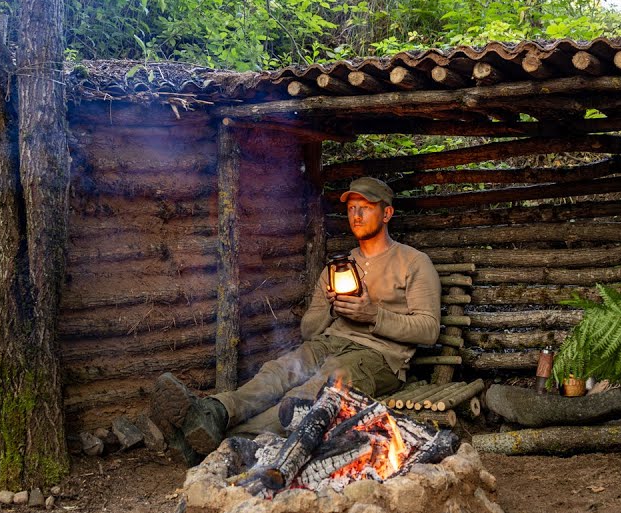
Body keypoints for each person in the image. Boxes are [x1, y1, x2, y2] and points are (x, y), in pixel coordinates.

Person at [150, 176, 441, 464]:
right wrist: (331, 309)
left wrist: (374, 315)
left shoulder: (413, 263)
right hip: (329, 343)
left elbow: (428, 330)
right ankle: (214, 412)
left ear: (387, 213)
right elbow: (308, 329)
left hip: (379, 357)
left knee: (313, 390)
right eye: (352, 208)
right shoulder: (338, 267)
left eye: (365, 207)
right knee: (278, 372)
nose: (356, 215)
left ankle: (227, 441)